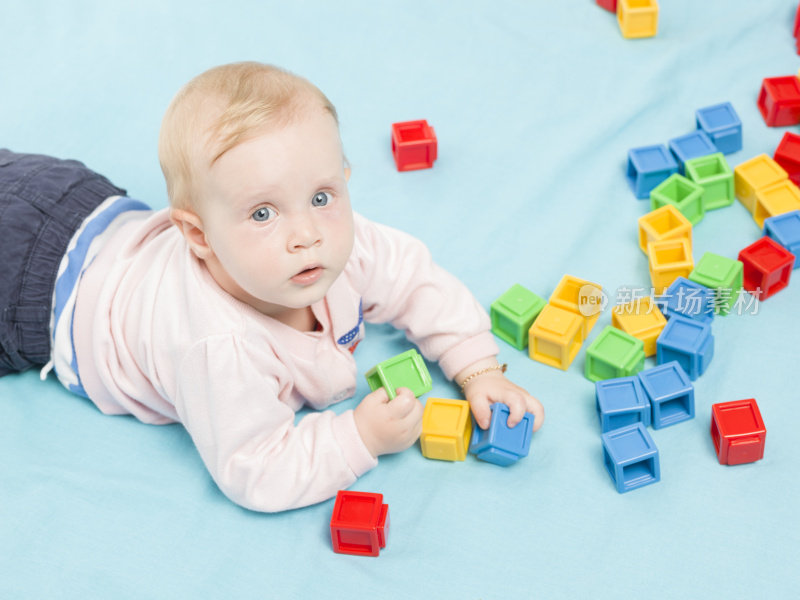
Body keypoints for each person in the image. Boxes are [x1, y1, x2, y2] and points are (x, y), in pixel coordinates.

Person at [0, 62, 544, 512]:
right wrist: (359, 437)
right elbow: (253, 468)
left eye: (322, 196)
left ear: (344, 181)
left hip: (75, 203)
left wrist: (478, 368)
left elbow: (415, 279)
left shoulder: (339, 244)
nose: (305, 234)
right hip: (26, 287)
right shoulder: (218, 349)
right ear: (198, 234)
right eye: (263, 213)